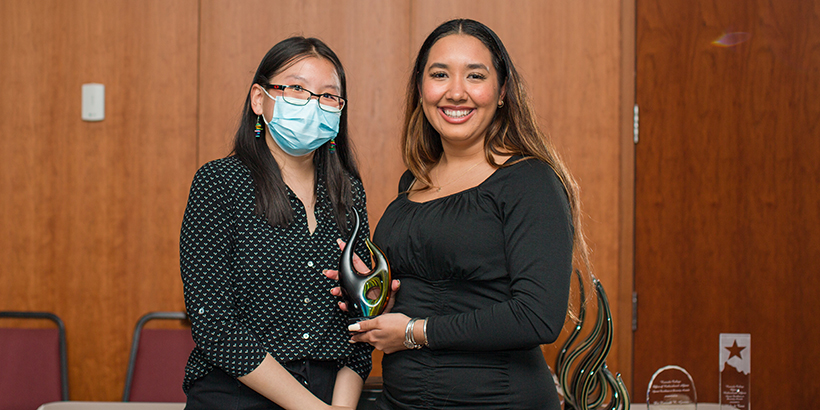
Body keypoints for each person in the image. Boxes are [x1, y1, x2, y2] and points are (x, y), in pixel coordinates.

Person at [342, 19, 593, 409]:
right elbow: (436, 289)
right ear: (421, 89)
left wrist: (413, 331)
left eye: (475, 76)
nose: (455, 92)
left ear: (502, 90)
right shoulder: (413, 182)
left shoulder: (530, 181)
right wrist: (378, 301)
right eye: (439, 75)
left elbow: (537, 317)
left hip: (497, 401)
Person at [179, 36, 373, 410]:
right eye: (297, 89)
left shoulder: (349, 192)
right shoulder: (219, 183)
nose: (314, 105)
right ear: (259, 98)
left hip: (333, 395)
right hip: (237, 394)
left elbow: (359, 319)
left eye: (328, 96)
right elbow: (214, 325)